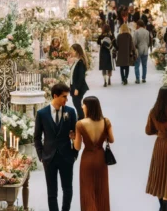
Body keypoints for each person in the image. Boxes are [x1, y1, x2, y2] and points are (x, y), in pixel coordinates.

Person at [34, 83, 78, 211]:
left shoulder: (70, 112)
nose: (66, 99)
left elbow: (76, 134)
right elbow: (37, 137)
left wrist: (74, 154)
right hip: (49, 157)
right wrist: (41, 156)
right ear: (55, 96)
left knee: (67, 189)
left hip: (67, 157)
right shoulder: (42, 114)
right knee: (52, 192)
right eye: (64, 96)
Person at [71, 96, 114, 211]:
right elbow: (111, 139)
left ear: (88, 107)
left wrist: (73, 139)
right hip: (101, 158)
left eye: (83, 105)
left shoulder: (80, 124)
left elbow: (77, 146)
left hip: (87, 159)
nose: (82, 107)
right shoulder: (106, 121)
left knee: (87, 190)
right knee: (101, 190)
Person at [69, 44, 89, 121]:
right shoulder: (76, 61)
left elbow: (81, 77)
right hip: (74, 86)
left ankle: (82, 119)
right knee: (76, 103)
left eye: (72, 51)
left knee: (77, 104)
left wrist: (77, 88)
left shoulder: (80, 62)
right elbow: (73, 74)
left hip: (79, 87)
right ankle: (81, 118)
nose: (71, 52)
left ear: (77, 51)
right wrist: (71, 85)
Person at [133, 20, 150, 84]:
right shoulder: (147, 32)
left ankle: (137, 79)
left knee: (137, 65)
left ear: (138, 25)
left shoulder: (136, 32)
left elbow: (134, 41)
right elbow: (148, 41)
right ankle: (144, 78)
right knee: (144, 65)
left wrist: (134, 48)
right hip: (145, 49)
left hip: (138, 49)